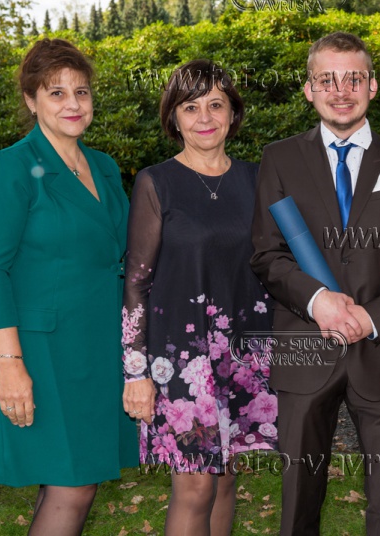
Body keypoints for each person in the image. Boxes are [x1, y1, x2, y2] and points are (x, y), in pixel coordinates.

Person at [250, 31, 380, 535]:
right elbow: (266, 254)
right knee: (298, 499)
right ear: (308, 89)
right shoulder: (280, 158)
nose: (341, 91)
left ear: (372, 86)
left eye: (353, 78)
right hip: (304, 348)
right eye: (327, 79)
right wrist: (318, 302)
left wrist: (371, 318)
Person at [0, 38, 138, 535]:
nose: (73, 104)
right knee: (72, 484)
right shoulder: (13, 167)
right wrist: (9, 365)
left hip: (100, 346)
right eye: (56, 92)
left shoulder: (104, 167)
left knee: (74, 479)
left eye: (81, 92)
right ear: (31, 100)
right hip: (42, 353)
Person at [121, 59, 277, 535]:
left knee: (226, 479)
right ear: (174, 117)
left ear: (233, 113)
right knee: (195, 487)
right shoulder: (156, 183)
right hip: (178, 361)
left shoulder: (259, 179)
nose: (204, 117)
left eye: (216, 105)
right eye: (190, 107)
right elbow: (136, 283)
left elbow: (282, 261)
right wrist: (136, 372)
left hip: (245, 354)